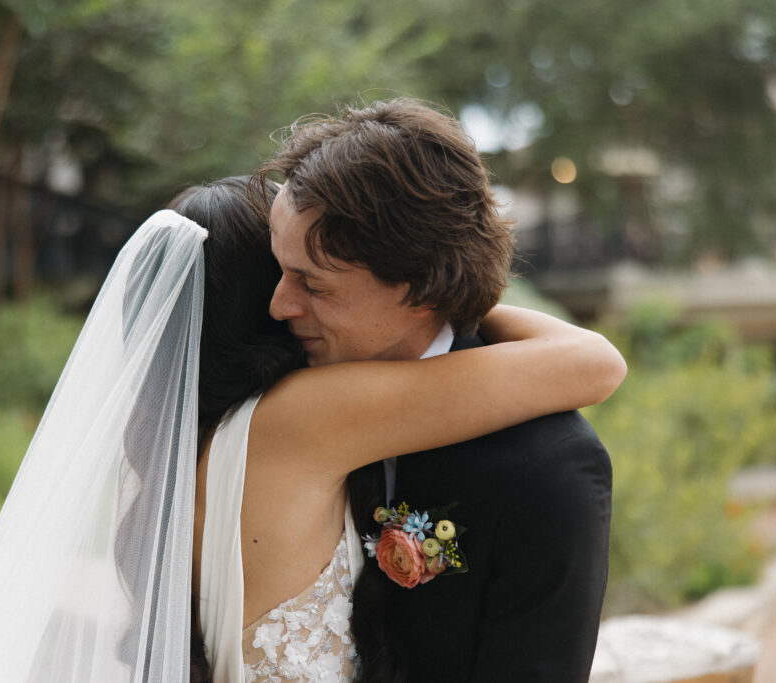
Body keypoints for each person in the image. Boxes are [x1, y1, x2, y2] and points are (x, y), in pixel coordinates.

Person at [0, 175, 623, 683]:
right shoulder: (302, 420)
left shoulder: (162, 443)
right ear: (261, 303)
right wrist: (452, 292)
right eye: (286, 276)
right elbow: (590, 363)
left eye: (308, 278)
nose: (293, 299)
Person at [252, 98, 617, 682]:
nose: (279, 304)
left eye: (312, 285)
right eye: (280, 268)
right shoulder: (269, 380)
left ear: (421, 287)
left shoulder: (549, 467)